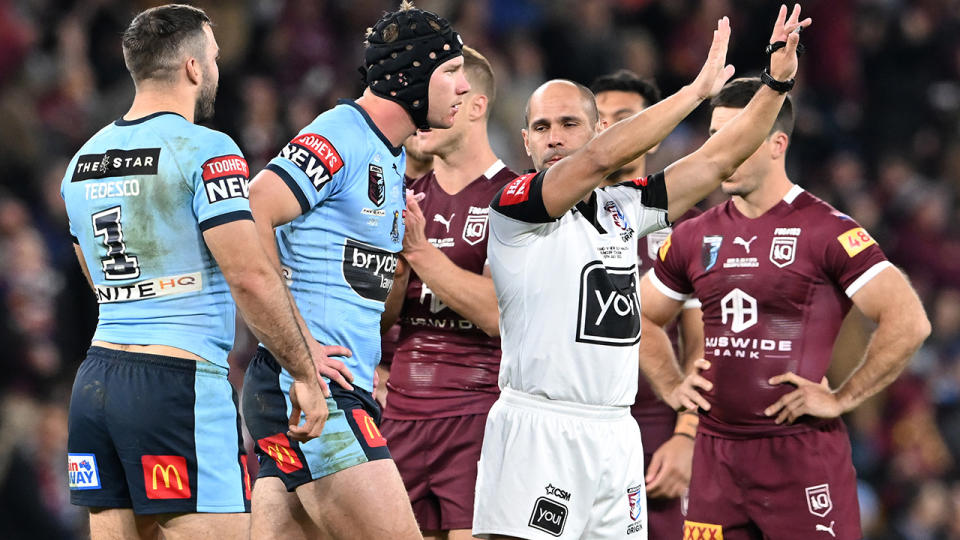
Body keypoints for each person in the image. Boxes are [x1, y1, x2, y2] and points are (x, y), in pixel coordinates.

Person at [473, 6, 811, 539]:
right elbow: (595, 162)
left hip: (615, 431)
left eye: (569, 124)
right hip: (540, 427)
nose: (555, 137)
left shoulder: (622, 209)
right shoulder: (514, 208)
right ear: (526, 142)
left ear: (596, 129)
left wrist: (775, 83)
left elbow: (715, 162)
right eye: (542, 127)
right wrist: (695, 91)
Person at [62, 5, 334, 539]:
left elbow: (94, 278)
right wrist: (304, 373)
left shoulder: (81, 162)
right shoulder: (206, 150)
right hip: (175, 384)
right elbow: (251, 276)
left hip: (96, 383)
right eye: (213, 56)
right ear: (191, 66)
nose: (216, 67)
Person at [639, 75, 931, 540]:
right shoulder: (693, 236)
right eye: (716, 139)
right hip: (715, 460)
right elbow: (640, 316)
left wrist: (844, 398)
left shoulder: (826, 230)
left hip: (800, 459)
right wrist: (672, 384)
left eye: (740, 137)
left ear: (777, 143)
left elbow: (909, 320)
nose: (724, 151)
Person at [241, 2, 469, 538]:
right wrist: (300, 348)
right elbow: (254, 206)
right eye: (452, 72)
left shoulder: (389, 155)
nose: (461, 88)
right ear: (413, 74)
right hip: (314, 387)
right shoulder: (342, 132)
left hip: (312, 386)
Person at [377, 45, 516, 540]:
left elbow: (502, 316)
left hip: (478, 411)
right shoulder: (403, 199)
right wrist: (394, 274)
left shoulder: (517, 199)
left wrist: (419, 254)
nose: (421, 111)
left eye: (434, 97)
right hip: (402, 411)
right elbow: (382, 323)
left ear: (474, 105)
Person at [590, 69, 704, 539]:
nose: (611, 130)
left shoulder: (688, 227)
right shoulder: (551, 218)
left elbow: (704, 343)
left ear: (654, 134)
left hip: (655, 425)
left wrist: (686, 434)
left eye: (626, 118)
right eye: (599, 120)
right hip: (572, 419)